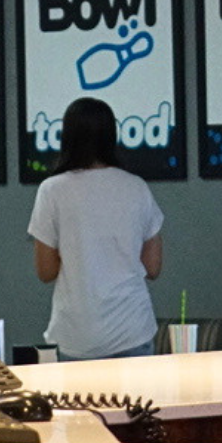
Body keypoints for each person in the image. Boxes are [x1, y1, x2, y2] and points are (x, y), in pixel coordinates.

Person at [27, 97, 163, 361]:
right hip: (132, 329)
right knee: (139, 404)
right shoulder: (136, 187)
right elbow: (153, 267)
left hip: (76, 335)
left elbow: (45, 271)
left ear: (66, 136)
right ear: (112, 135)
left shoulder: (52, 190)